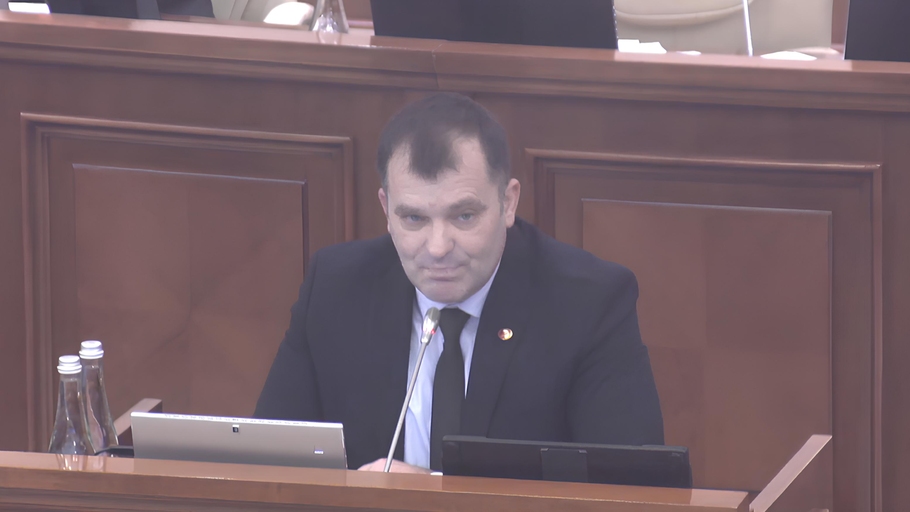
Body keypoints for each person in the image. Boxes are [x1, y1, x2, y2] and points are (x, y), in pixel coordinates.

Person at [254, 92, 663, 473]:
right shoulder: (337, 287)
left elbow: (629, 486)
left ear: (508, 202)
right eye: (414, 218)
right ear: (386, 208)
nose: (437, 247)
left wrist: (428, 497)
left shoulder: (587, 303)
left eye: (464, 216)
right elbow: (267, 463)